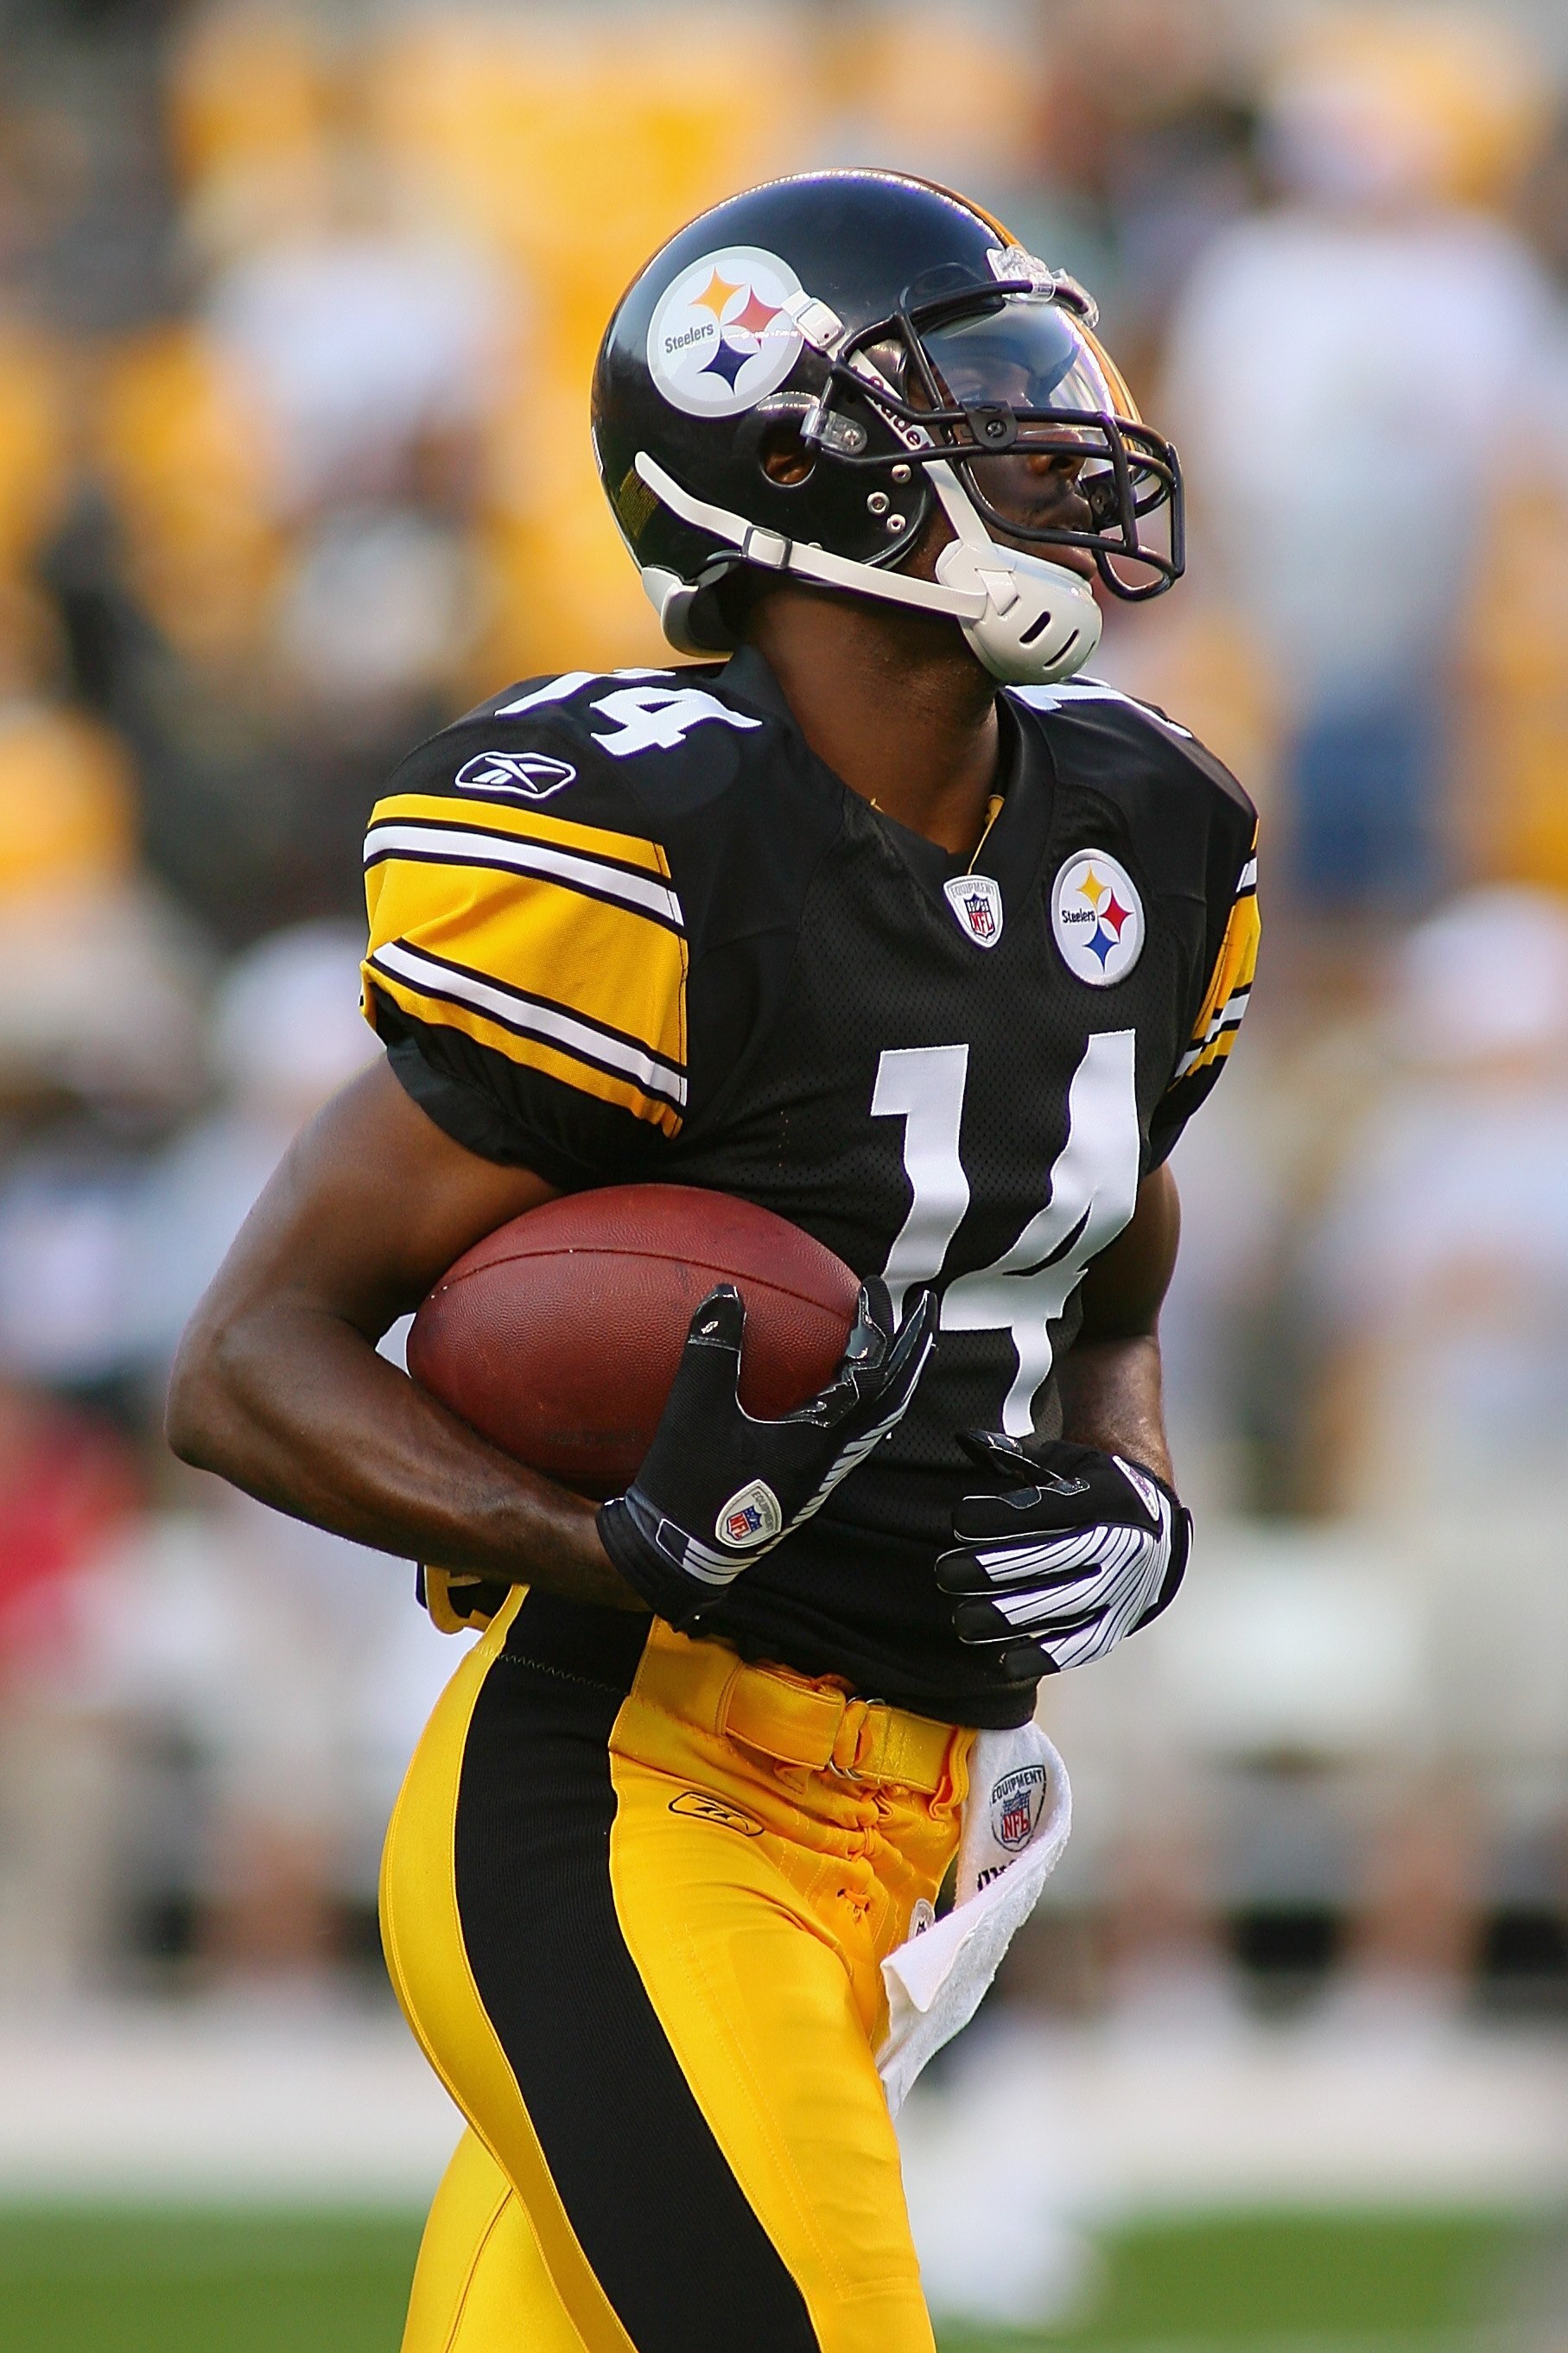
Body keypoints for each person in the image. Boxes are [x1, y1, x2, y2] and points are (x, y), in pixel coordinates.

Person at [168, 172, 1258, 2353]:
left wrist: (1130, 1481)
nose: (1061, 439)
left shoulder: (1143, 824)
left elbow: (1106, 1228)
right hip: (628, 1793)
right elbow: (246, 1360)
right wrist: (598, 1536)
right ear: (787, 472)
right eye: (978, 397)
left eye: (1053, 380)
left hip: (914, 1821)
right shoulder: (653, 846)